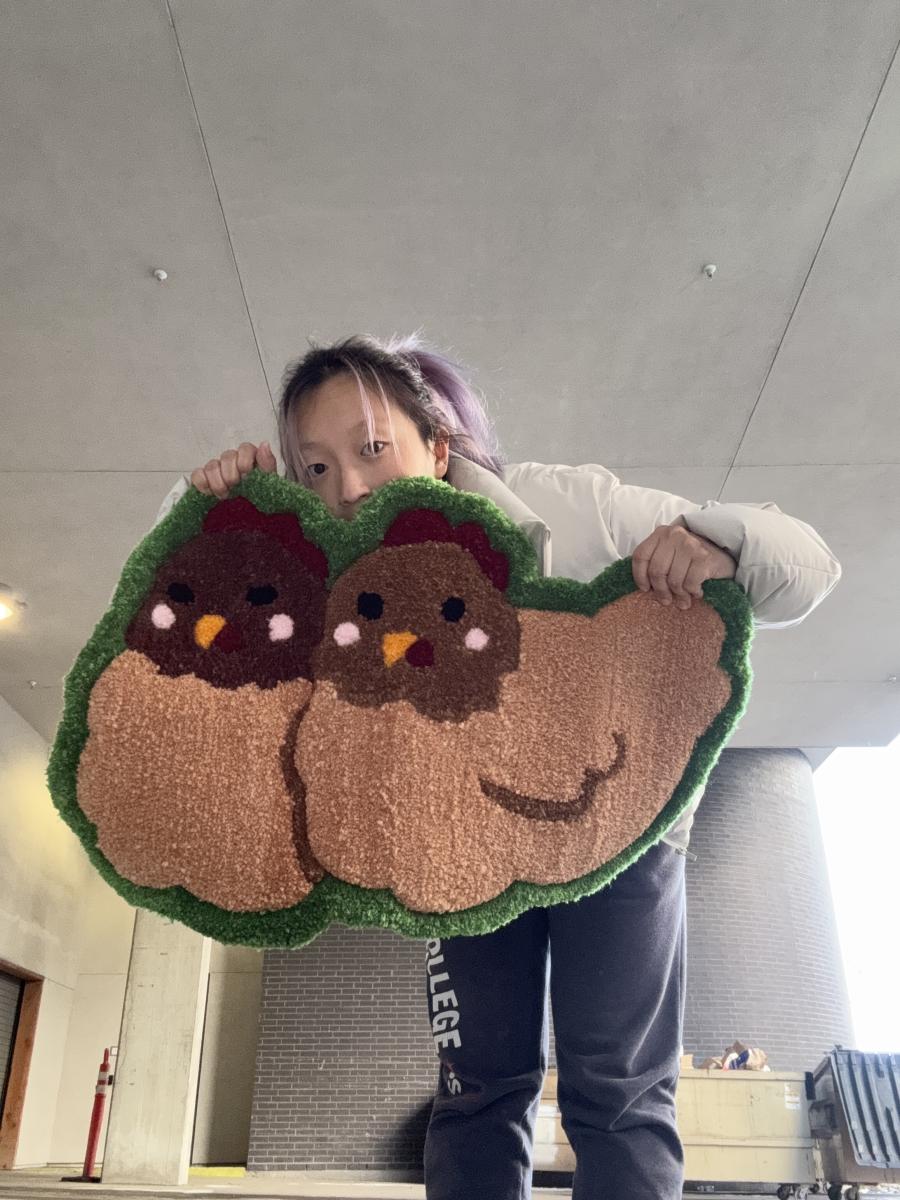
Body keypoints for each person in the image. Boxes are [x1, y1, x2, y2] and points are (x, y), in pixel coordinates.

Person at [154, 332, 842, 1200]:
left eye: (373, 447)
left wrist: (723, 546)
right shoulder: (328, 569)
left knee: (619, 1090)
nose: (350, 486)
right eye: (318, 468)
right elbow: (177, 628)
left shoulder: (570, 506)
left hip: (620, 836)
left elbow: (809, 565)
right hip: (460, 841)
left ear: (437, 447)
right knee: (478, 1085)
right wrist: (202, 505)